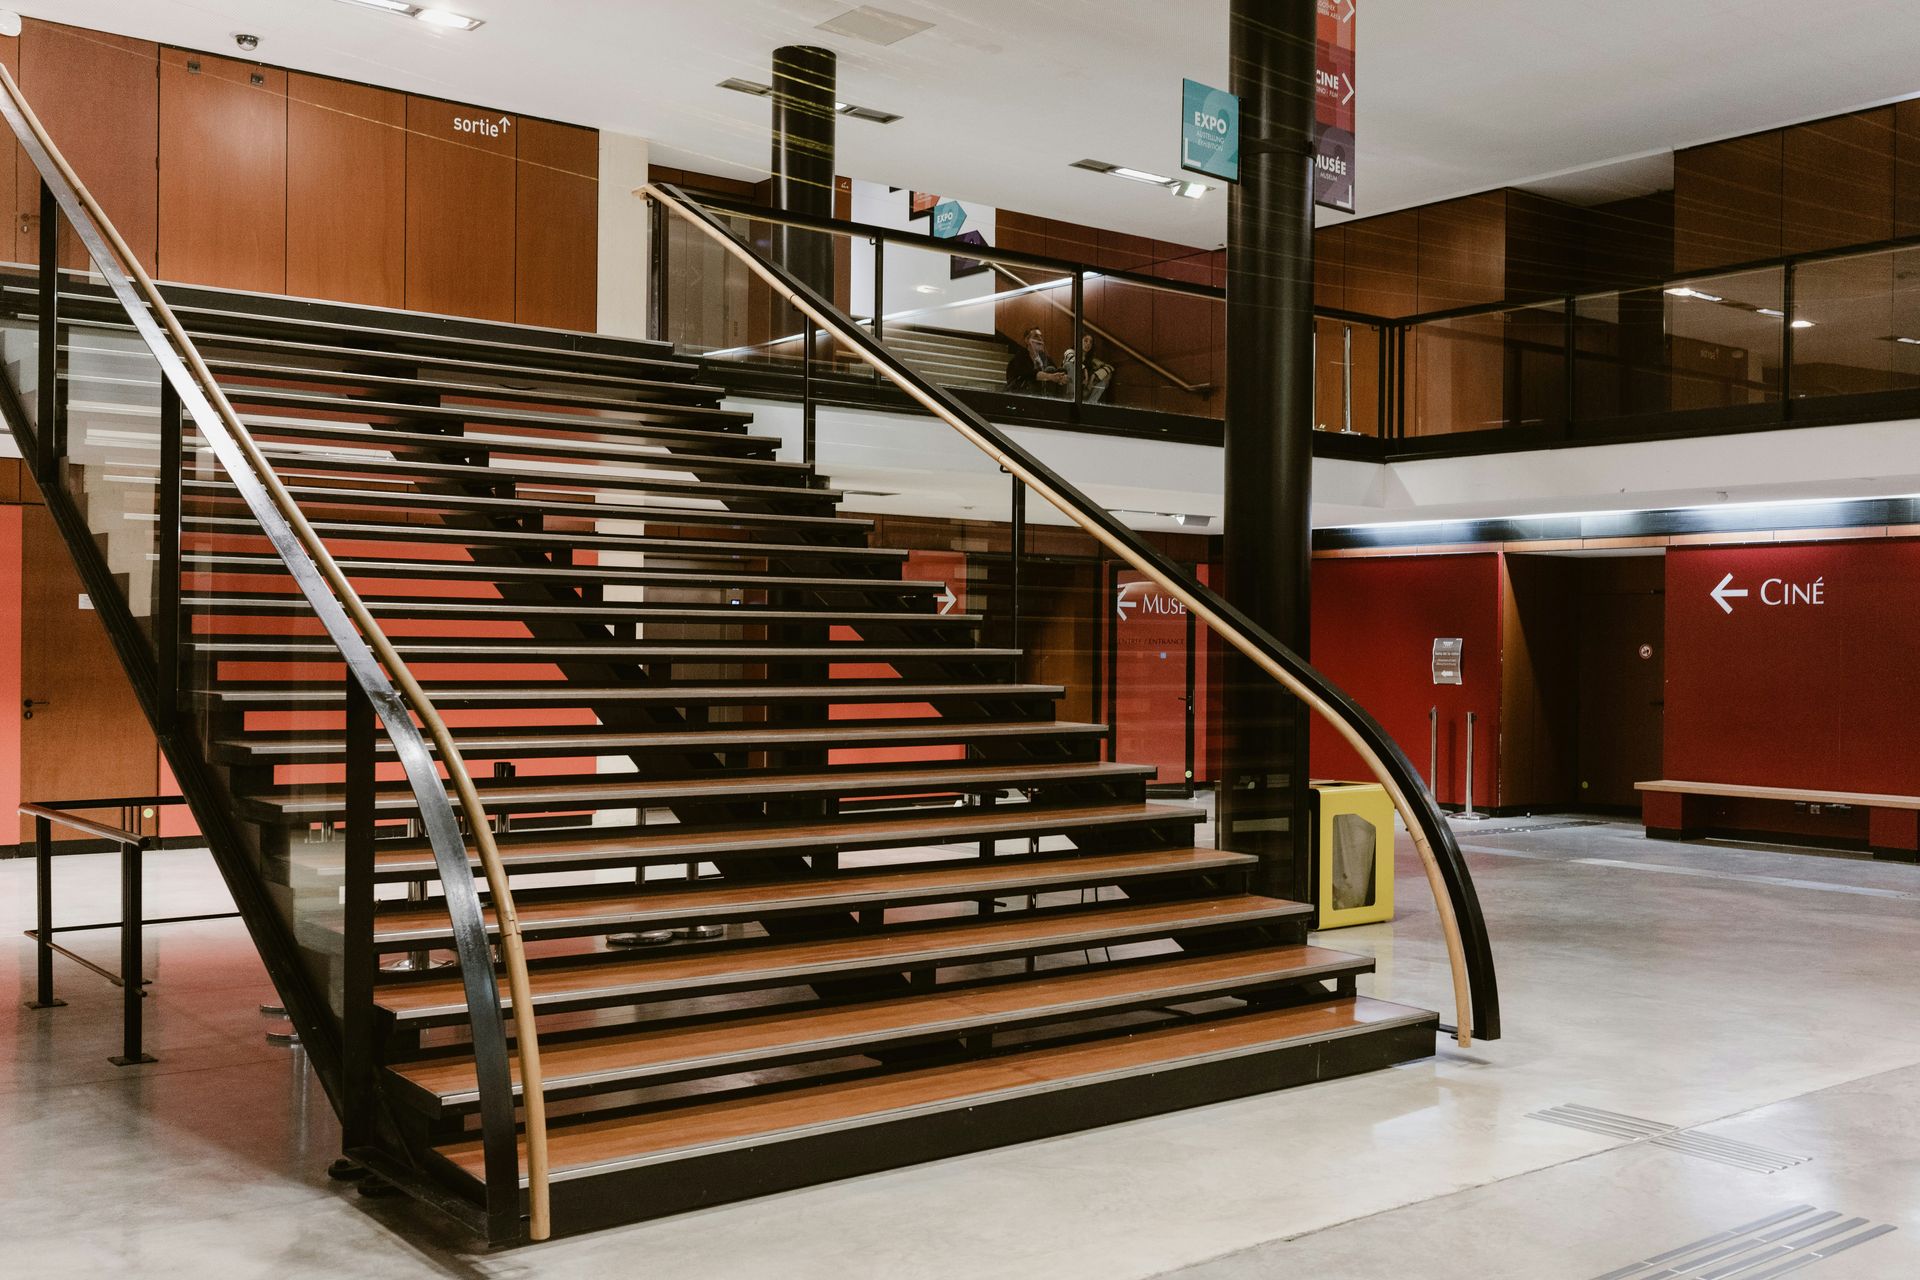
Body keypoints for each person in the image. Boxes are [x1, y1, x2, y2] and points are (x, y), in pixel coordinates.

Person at [1005, 325, 1069, 396]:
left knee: (1060, 370)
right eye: (1036, 336)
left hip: (1041, 391)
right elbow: (1030, 374)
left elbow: (1055, 372)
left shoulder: (1045, 358)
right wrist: (1050, 376)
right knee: (1050, 370)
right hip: (1022, 392)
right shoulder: (1020, 357)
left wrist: (1061, 378)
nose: (1040, 339)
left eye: (1041, 336)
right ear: (1027, 340)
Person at [1062, 333, 1116, 404]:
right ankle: (1072, 398)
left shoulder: (1092, 360)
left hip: (1085, 390)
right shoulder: (1070, 352)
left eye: (1091, 342)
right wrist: (1085, 370)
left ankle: (1091, 403)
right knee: (1069, 364)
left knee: (1107, 375)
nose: (1088, 344)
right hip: (1069, 390)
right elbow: (1071, 358)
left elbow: (1110, 367)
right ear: (1079, 341)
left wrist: (1093, 376)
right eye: (1086, 340)